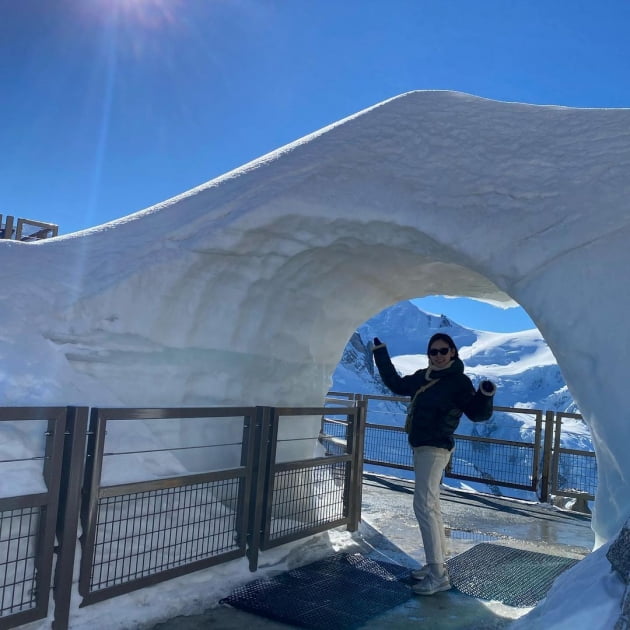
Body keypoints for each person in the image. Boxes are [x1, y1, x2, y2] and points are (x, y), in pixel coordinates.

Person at [372, 332, 496, 596]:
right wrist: (381, 353)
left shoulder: (458, 382)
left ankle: (438, 575)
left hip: (435, 448)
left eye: (443, 351)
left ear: (453, 352)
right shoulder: (424, 376)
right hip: (421, 446)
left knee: (424, 507)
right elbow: (395, 384)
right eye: (433, 352)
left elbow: (477, 413)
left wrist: (485, 395)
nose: (438, 356)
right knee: (432, 507)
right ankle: (434, 566)